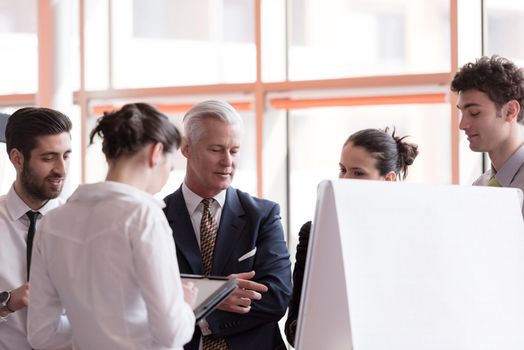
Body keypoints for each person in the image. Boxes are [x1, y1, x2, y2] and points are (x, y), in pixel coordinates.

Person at [27, 103, 197, 350]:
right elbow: (171, 333)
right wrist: (185, 305)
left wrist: (94, 331)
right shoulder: (143, 215)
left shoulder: (52, 221)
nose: (165, 178)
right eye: (169, 167)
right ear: (156, 153)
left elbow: (43, 335)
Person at [163, 100, 292, 350]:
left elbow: (276, 296)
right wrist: (216, 294)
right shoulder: (156, 217)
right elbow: (151, 297)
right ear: (187, 148)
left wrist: (201, 313)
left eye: (234, 151)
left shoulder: (263, 216)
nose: (227, 161)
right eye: (216, 149)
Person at [284, 127, 419, 347]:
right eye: (342, 170)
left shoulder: (410, 238)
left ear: (388, 179)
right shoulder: (314, 233)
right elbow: (293, 325)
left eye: (358, 173)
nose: (344, 179)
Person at [0, 107, 72, 350]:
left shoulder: (81, 226)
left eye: (66, 155)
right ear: (17, 159)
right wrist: (9, 301)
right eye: (48, 157)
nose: (61, 169)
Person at [451, 55, 524, 216]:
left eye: (474, 113)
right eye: (462, 113)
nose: (462, 125)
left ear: (510, 111)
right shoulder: (479, 187)